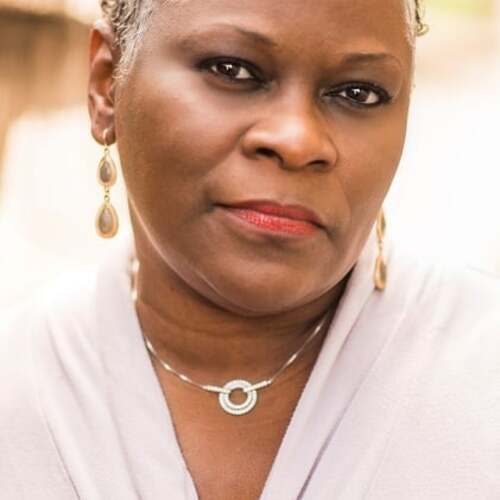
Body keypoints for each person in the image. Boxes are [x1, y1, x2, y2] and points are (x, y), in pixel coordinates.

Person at [1, 0, 499, 498]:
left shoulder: (481, 374)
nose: (298, 140)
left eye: (358, 93)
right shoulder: (20, 388)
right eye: (232, 69)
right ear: (106, 84)